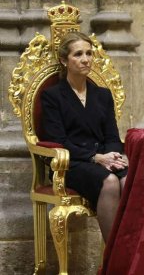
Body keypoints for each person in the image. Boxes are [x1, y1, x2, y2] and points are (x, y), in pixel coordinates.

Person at [41, 32, 128, 243]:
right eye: (78, 54)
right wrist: (96, 157)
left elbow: (112, 135)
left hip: (103, 159)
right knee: (109, 182)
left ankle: (132, 251)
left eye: (89, 53)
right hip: (71, 164)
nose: (86, 59)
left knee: (129, 178)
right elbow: (58, 140)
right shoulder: (52, 96)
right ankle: (113, 258)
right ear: (64, 60)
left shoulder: (103, 95)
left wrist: (115, 155)